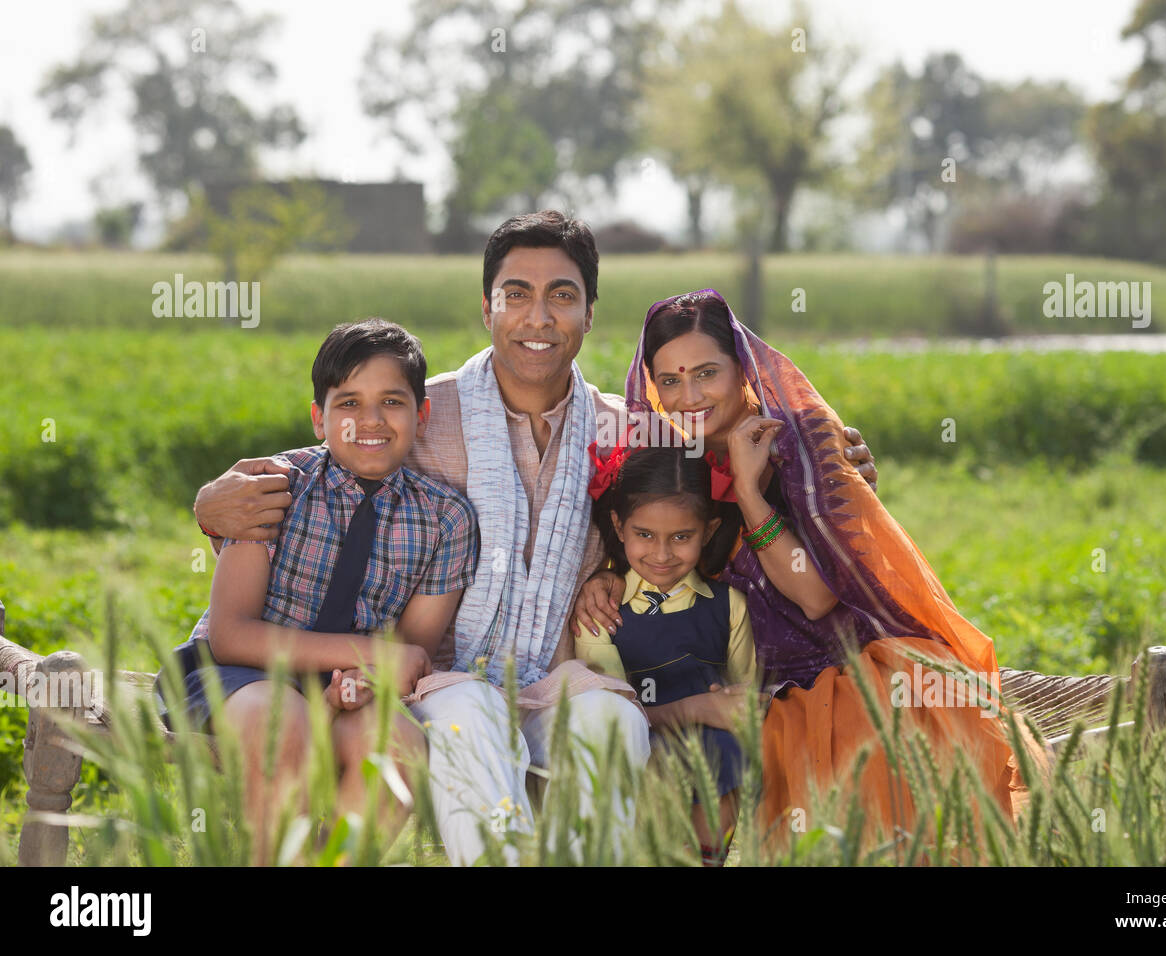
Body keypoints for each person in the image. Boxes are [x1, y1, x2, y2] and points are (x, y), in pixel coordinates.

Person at [192, 211, 879, 866]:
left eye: (562, 296)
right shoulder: (425, 409)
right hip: (437, 680)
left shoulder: (623, 428)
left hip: (560, 678)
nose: (538, 318)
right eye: (516, 295)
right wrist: (209, 501)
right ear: (487, 308)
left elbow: (716, 462)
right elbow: (336, 459)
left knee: (617, 730)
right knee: (466, 721)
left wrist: (827, 468)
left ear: (588, 313)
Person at [570, 289, 1051, 852]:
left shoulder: (802, 441)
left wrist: (749, 493)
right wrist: (606, 574)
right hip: (739, 681)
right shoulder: (676, 460)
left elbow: (817, 598)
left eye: (707, 373)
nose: (689, 396)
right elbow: (651, 545)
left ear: (742, 369)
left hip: (841, 672)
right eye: (669, 381)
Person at [156, 318, 478, 864]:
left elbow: (407, 657)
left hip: (353, 687)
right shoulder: (272, 489)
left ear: (421, 416)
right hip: (240, 675)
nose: (370, 421)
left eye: (392, 403)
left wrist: (363, 677)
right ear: (318, 418)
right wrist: (367, 653)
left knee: (402, 751)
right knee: (285, 727)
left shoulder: (446, 520)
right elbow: (232, 635)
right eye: (348, 403)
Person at [579, 443, 756, 866]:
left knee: (736, 748)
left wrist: (736, 709)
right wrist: (698, 707)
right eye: (645, 535)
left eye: (681, 537)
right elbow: (611, 715)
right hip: (640, 743)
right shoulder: (602, 611)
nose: (661, 555)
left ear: (709, 531)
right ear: (619, 527)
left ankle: (702, 855)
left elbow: (747, 691)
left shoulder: (728, 605)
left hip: (711, 750)